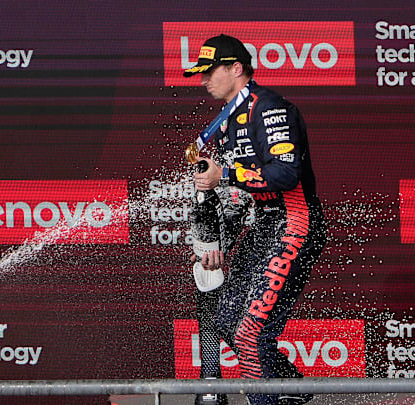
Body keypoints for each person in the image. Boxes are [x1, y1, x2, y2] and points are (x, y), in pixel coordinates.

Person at [183, 34, 327, 405]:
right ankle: (293, 389)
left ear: (236, 69)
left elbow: (286, 174)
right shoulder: (228, 121)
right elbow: (238, 196)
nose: (203, 80)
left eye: (209, 72)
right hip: (263, 226)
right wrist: (217, 245)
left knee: (250, 333)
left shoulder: (270, 108)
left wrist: (225, 176)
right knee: (228, 322)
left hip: (294, 221)